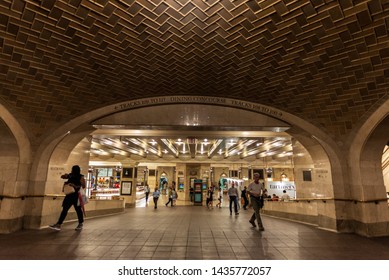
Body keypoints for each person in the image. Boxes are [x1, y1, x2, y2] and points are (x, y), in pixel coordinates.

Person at [49, 165, 86, 231]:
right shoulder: (70, 175)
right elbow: (62, 177)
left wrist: (74, 185)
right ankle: (59, 224)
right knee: (65, 209)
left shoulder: (81, 177)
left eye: (72, 169)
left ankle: (80, 223)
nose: (71, 170)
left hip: (76, 195)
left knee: (78, 210)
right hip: (69, 195)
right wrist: (65, 176)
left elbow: (83, 186)